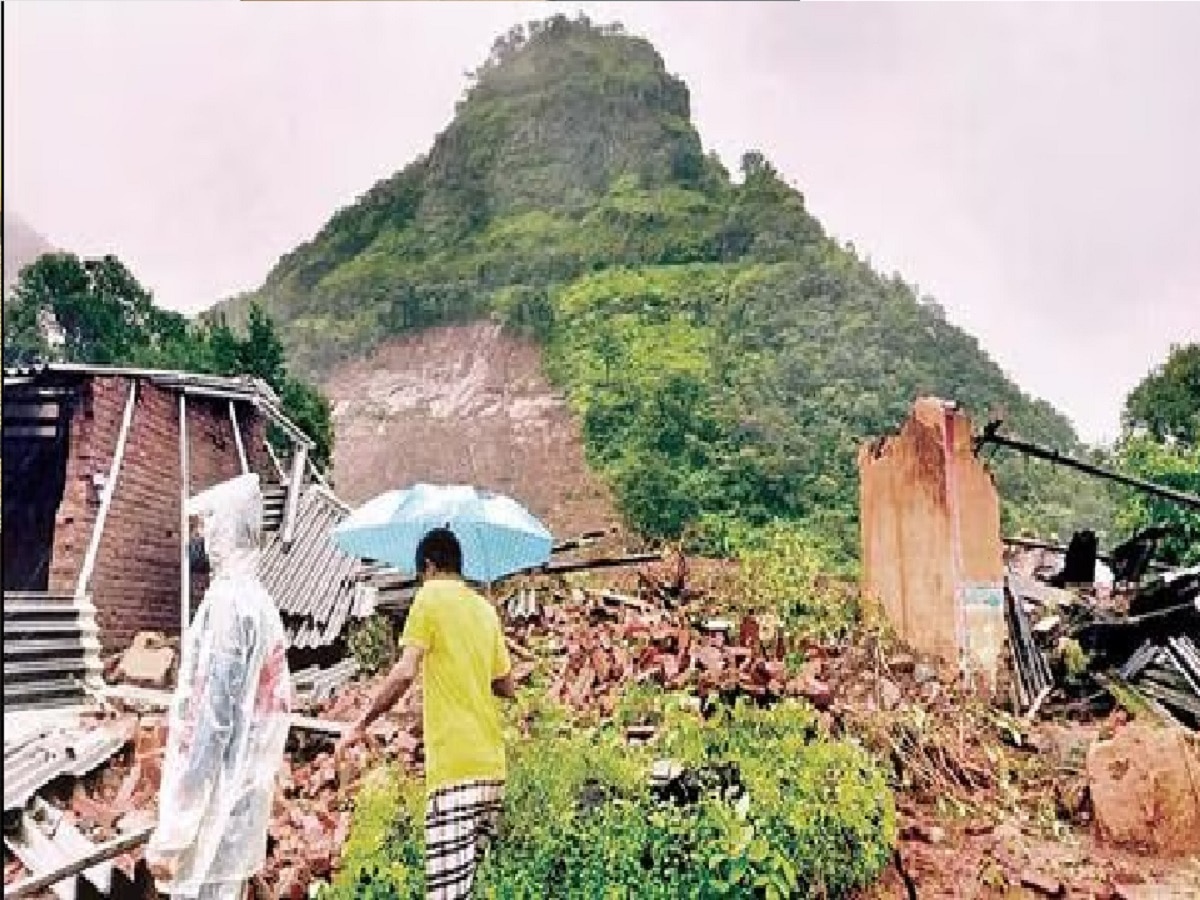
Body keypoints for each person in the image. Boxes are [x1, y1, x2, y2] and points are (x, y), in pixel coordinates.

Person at [337, 527, 515, 900]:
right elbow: (505, 687)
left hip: (455, 771)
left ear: (430, 567)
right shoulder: (484, 609)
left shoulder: (429, 598)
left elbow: (404, 671)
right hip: (492, 770)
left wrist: (361, 722)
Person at [146, 473, 292, 900]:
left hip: (213, 806)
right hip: (242, 797)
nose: (202, 536)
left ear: (226, 528)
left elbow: (211, 719)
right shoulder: (261, 603)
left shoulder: (228, 606)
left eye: (208, 524)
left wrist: (175, 830)